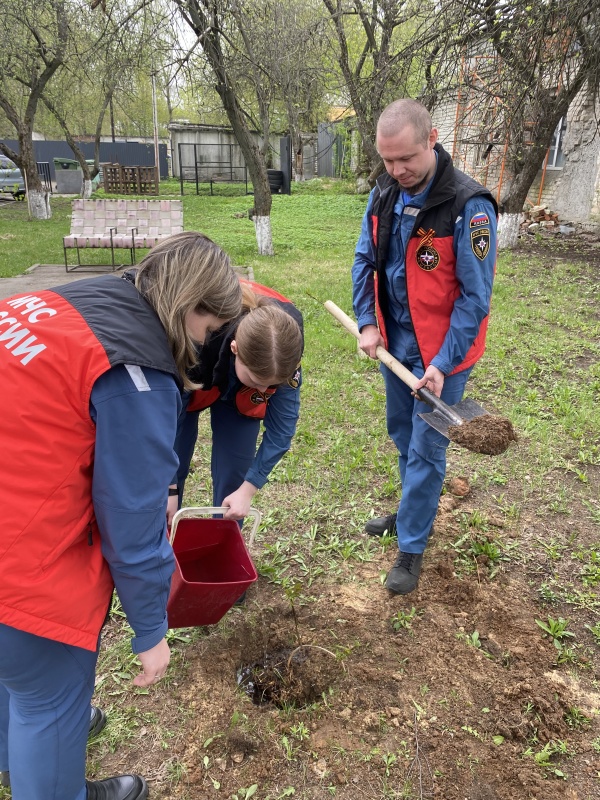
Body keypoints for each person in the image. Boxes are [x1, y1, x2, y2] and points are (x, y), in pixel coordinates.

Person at [0, 231, 242, 800]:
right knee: (47, 701)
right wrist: (152, 631)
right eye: (208, 332)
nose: (204, 346)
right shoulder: (137, 372)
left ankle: (25, 757)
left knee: (15, 682)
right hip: (23, 565)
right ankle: (54, 772)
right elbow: (131, 525)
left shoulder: (69, 301)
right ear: (189, 310)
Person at [352, 98, 497, 595]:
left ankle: (412, 546)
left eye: (406, 160)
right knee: (402, 435)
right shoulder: (385, 193)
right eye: (387, 161)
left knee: (427, 449)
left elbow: (475, 299)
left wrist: (441, 363)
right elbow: (364, 260)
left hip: (444, 358)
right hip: (395, 347)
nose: (396, 171)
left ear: (431, 139)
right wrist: (368, 323)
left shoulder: (468, 207)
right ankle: (413, 508)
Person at [167, 279, 303, 529]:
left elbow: (281, 432)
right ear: (235, 349)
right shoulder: (197, 337)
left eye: (270, 385)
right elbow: (165, 425)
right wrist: (169, 488)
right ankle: (163, 546)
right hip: (196, 377)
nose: (263, 391)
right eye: (256, 380)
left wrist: (248, 489)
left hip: (236, 390)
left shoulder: (283, 356)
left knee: (234, 475)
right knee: (172, 464)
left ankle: (223, 545)